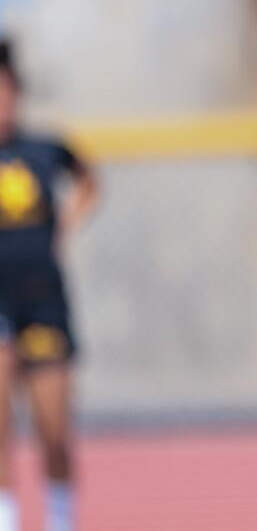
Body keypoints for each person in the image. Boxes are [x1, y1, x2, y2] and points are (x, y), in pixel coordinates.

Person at [0, 39, 99, 531]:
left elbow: (89, 181)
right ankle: (7, 513)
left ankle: (60, 513)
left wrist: (67, 227)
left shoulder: (43, 149)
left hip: (44, 300)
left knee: (53, 427)